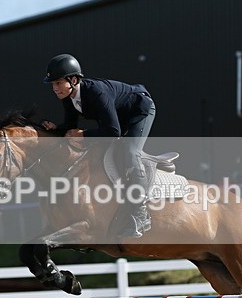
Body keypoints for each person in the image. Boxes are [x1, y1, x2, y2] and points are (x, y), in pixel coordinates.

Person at [41, 53, 156, 238]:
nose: (54, 88)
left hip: (139, 110)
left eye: (57, 83)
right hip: (119, 117)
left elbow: (112, 132)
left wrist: (84, 134)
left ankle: (141, 214)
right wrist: (56, 130)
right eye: (53, 84)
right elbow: (71, 128)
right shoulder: (69, 97)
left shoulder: (96, 92)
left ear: (73, 79)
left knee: (130, 151)